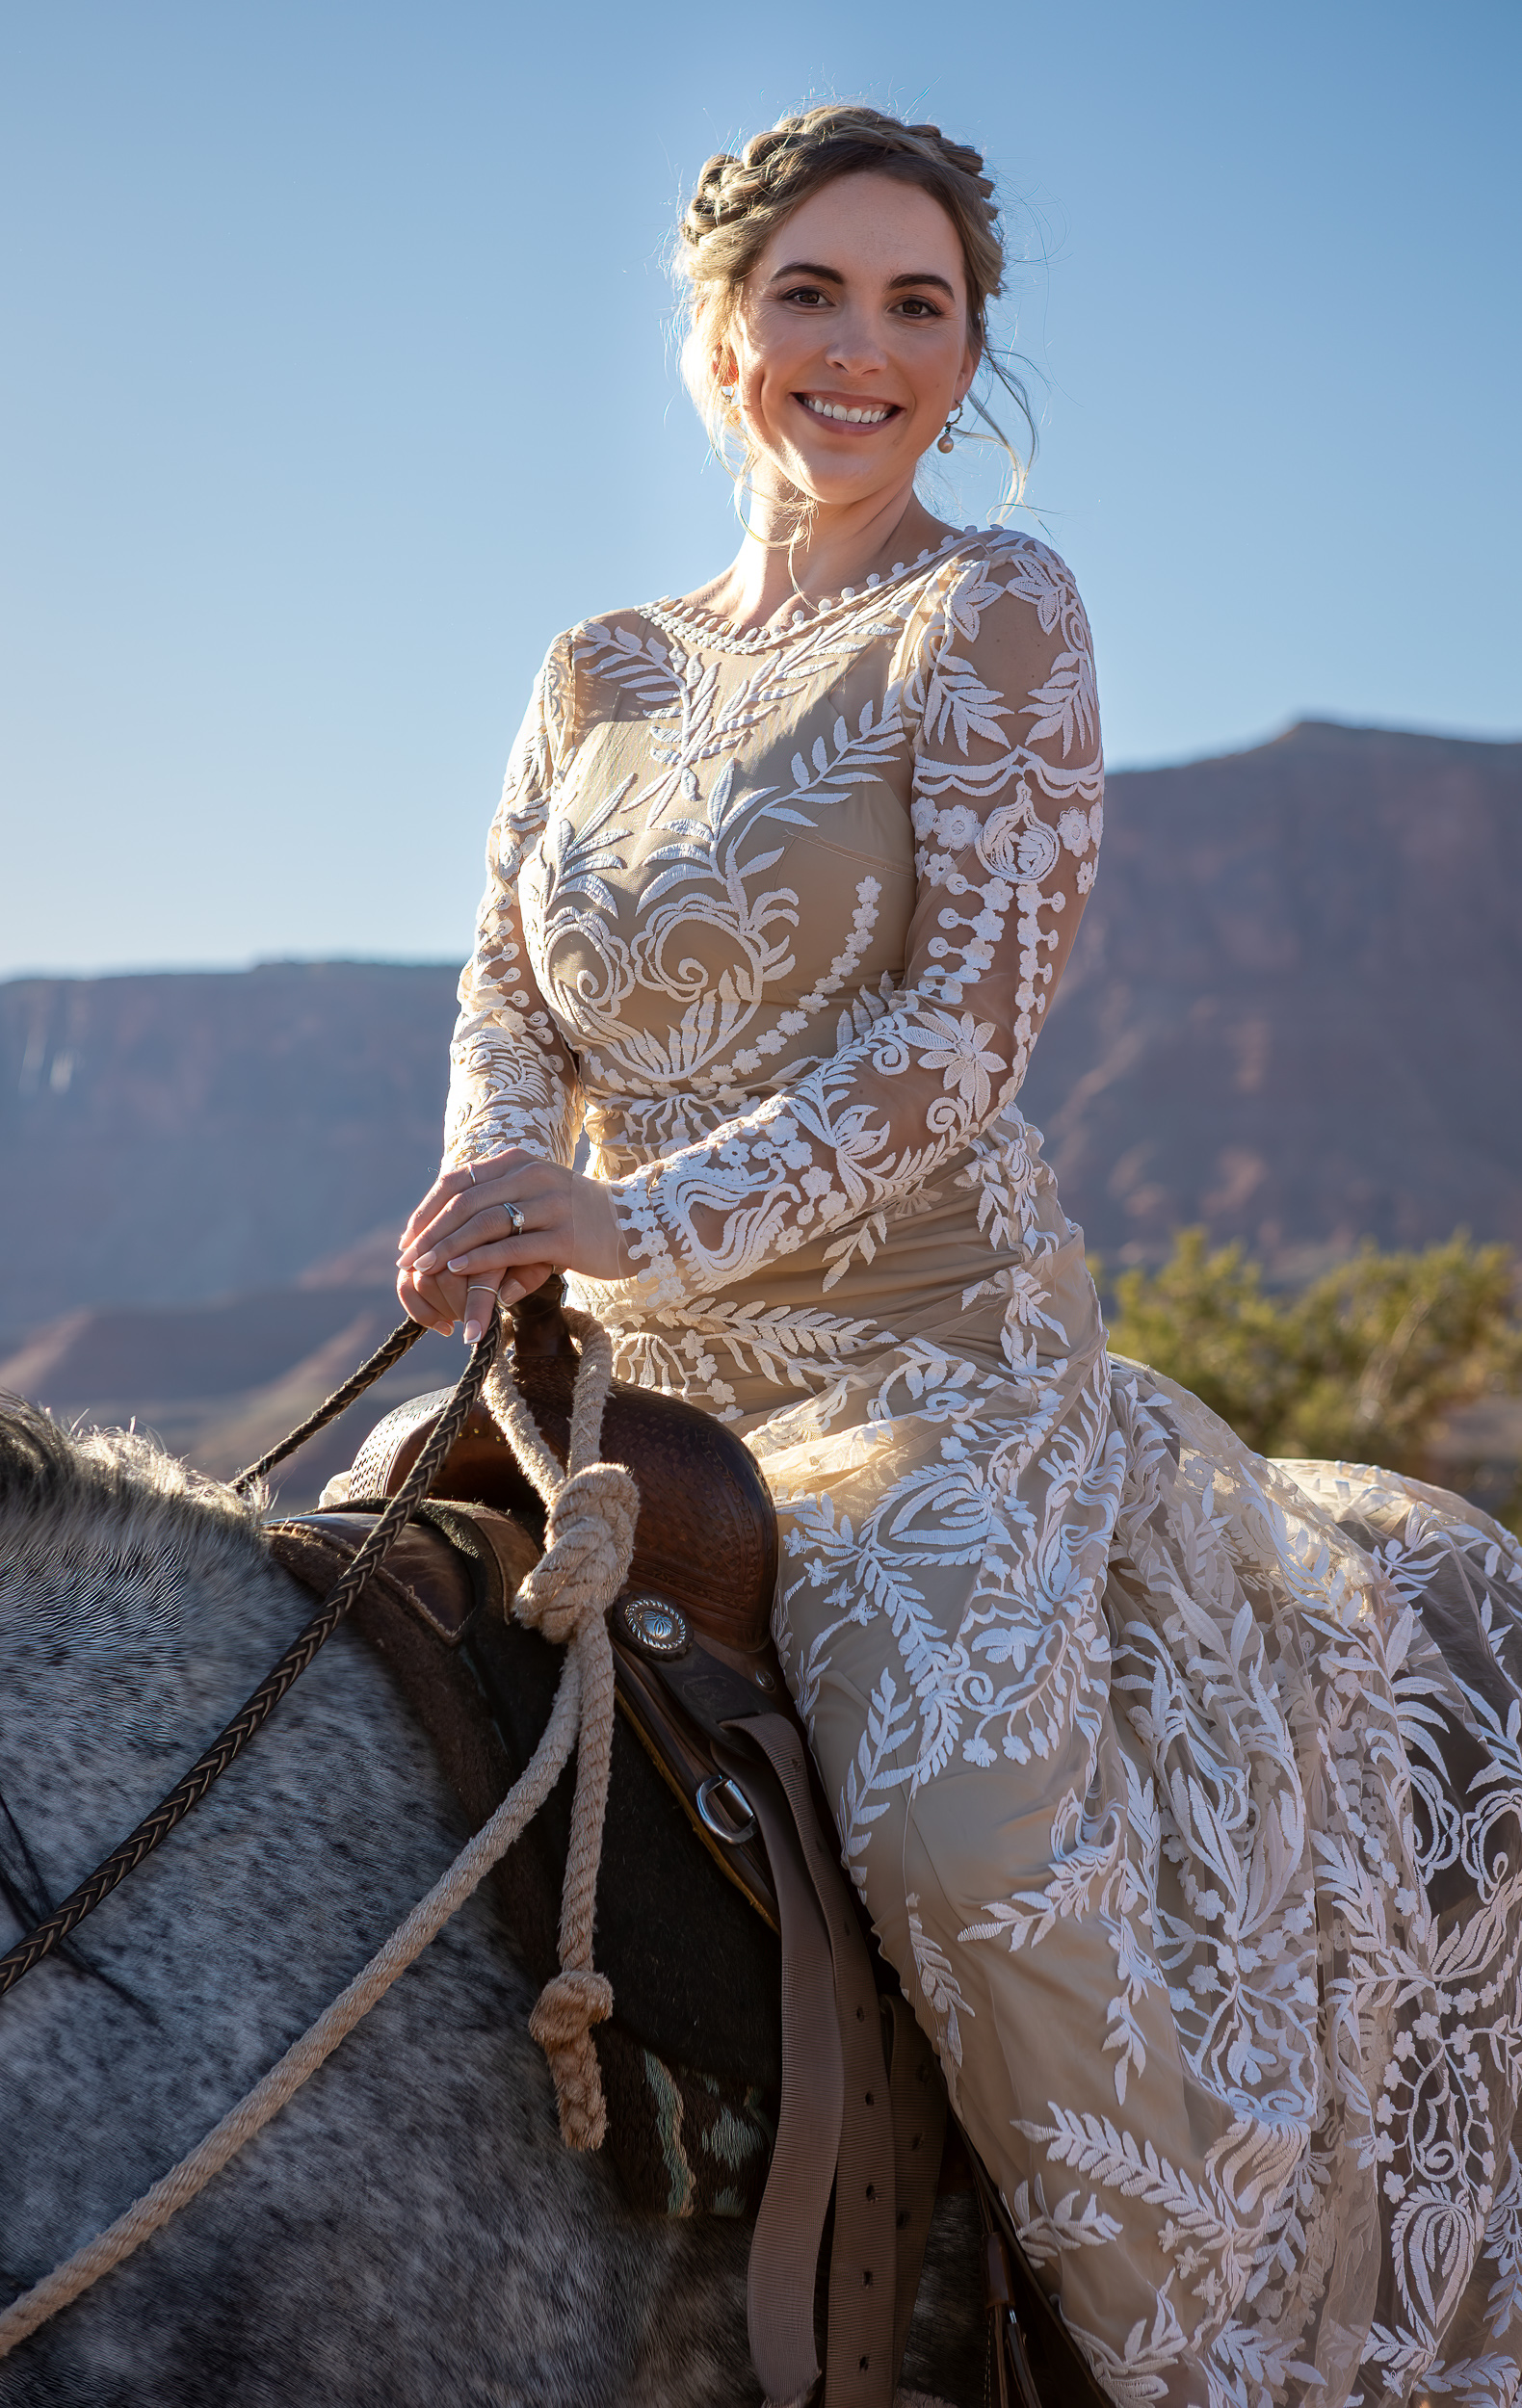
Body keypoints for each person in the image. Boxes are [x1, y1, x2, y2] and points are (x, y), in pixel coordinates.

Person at [396, 104, 1522, 2406]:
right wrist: (512, 1198)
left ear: (968, 350)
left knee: (964, 1802)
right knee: (309, 1623)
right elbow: (509, 992)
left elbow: (959, 1041)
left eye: (921, 306)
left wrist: (644, 1210)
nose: (863, 349)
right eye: (814, 292)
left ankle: (1187, 2358)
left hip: (921, 1372)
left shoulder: (992, 611)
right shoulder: (593, 666)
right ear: (722, 329)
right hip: (614, 1376)